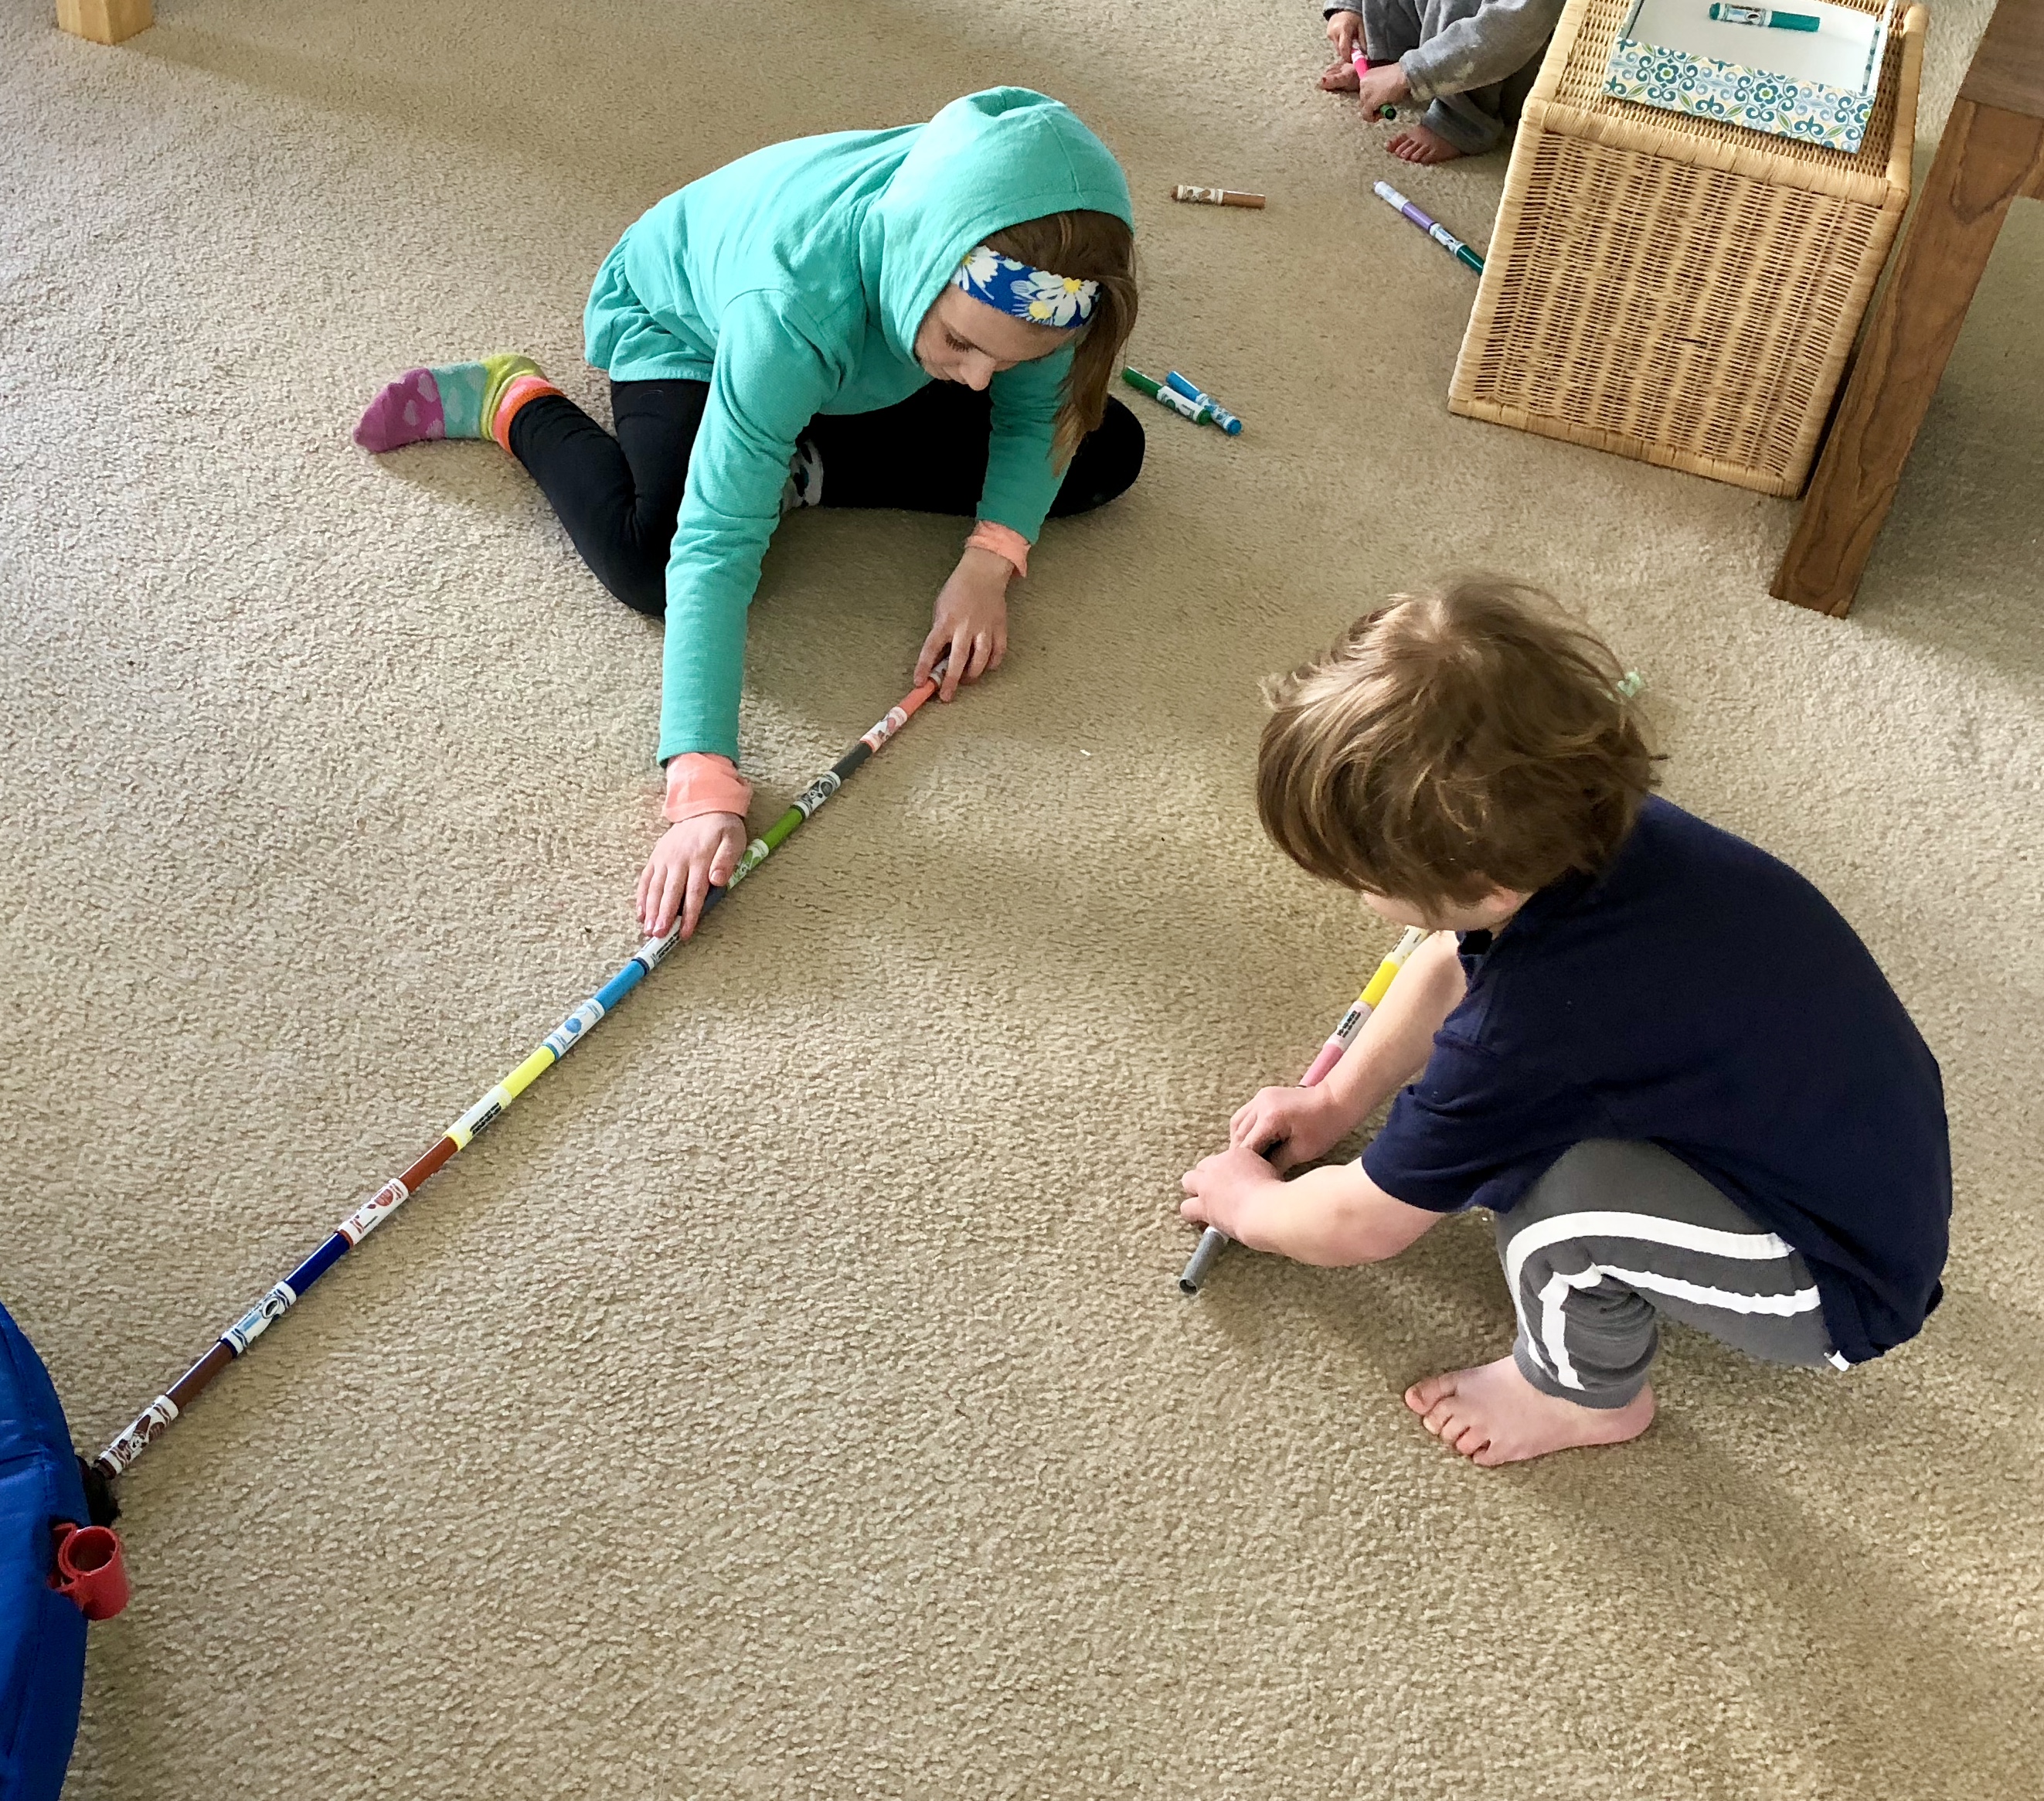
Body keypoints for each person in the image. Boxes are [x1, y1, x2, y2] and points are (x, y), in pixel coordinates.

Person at [1181, 578, 1951, 1466]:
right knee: (1535, 1121)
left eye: (1359, 876)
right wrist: (1333, 1102)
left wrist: (1254, 1204)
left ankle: (1579, 1393)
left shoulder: (1522, 1033)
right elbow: (1447, 958)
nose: (1358, 894)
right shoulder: (1603, 832)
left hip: (1833, 1281)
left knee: (1550, 1202)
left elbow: (1364, 1222)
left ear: (1488, 888)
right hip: (1860, 1153)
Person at [353, 88, 1142, 941]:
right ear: (924, 263)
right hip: (687, 328)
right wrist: (701, 781)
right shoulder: (789, 305)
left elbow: (1030, 411)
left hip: (862, 351)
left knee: (1104, 446)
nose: (982, 378)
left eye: (1012, 355)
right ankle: (517, 400)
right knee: (648, 557)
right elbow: (715, 541)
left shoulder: (1011, 281)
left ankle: (792, 459)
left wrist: (990, 559)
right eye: (964, 344)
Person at [1319, 0, 1564, 162]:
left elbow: (1513, 28)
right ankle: (1385, 52)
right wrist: (1350, 6)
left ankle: (1461, 117)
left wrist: (1410, 73)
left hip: (1517, 62)